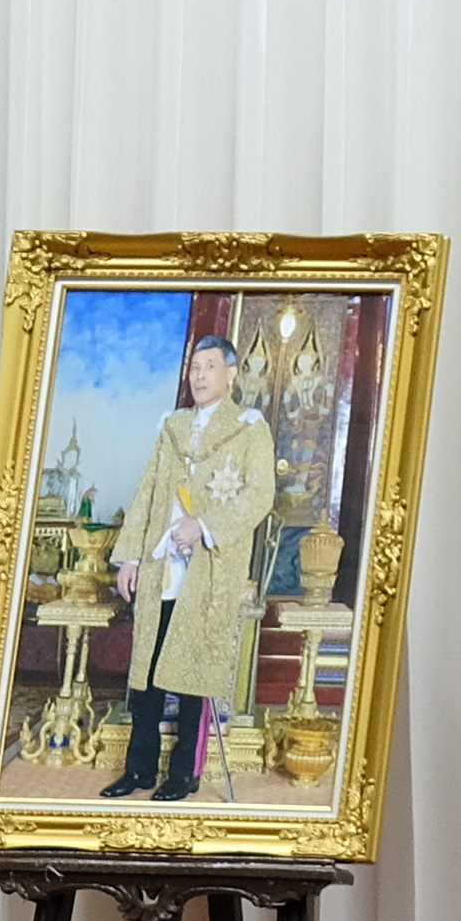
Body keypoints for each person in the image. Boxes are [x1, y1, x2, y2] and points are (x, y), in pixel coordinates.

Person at [106, 330, 278, 803]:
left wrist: (203, 525)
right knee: (146, 672)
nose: (199, 377)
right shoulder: (173, 426)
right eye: (194, 368)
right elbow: (147, 492)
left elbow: (260, 495)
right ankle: (139, 770)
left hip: (208, 571)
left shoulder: (249, 428)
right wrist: (131, 556)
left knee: (193, 676)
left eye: (209, 367)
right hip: (160, 566)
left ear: (231, 374)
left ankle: (184, 773)